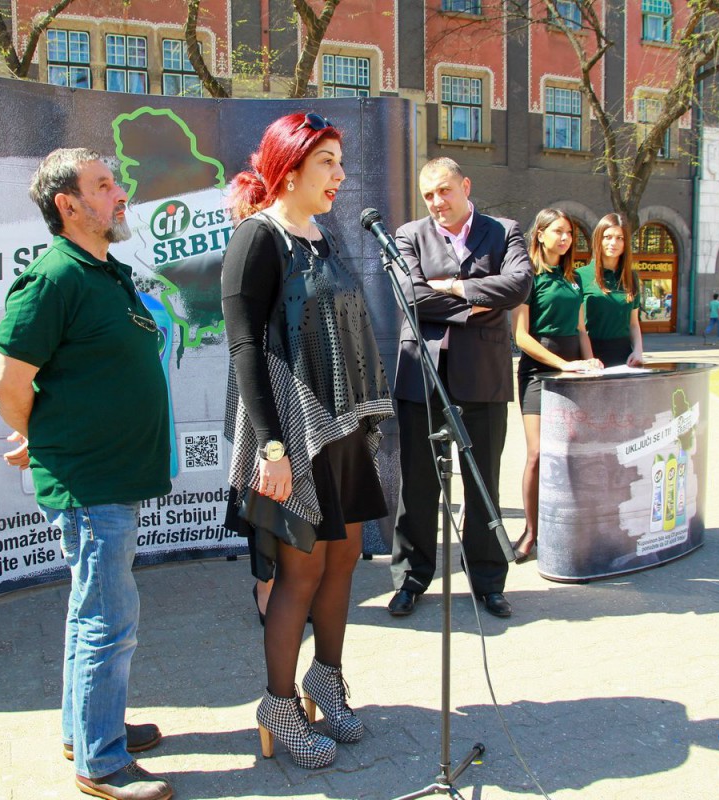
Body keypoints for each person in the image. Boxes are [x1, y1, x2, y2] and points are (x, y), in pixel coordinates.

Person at [0, 149, 173, 800]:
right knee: (108, 619)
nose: (120, 193)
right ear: (68, 205)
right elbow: (6, 381)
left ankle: (86, 730)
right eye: (103, 185)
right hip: (90, 483)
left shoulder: (104, 271)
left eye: (116, 182)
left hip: (111, 477)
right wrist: (39, 436)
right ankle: (101, 764)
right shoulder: (54, 278)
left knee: (90, 610)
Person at [220, 112, 394, 770]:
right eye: (327, 162)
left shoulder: (323, 235)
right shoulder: (257, 238)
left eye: (341, 162)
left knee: (344, 557)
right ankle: (278, 703)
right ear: (288, 170)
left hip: (338, 428)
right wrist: (272, 449)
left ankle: (327, 678)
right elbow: (245, 349)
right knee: (301, 571)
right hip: (290, 435)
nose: (340, 175)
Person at [387, 157, 532, 619]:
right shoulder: (409, 236)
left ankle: (488, 582)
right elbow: (410, 295)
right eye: (428, 194)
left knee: (482, 482)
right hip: (422, 374)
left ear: (465, 186)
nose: (437, 201)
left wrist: (451, 287)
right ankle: (411, 580)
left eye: (445, 190)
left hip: (483, 375)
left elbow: (519, 285)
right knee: (418, 485)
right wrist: (477, 303)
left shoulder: (504, 231)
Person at [510, 209, 603, 563]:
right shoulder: (527, 275)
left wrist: (590, 363)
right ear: (540, 233)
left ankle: (567, 529)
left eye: (569, 233)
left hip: (573, 371)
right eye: (558, 231)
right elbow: (520, 336)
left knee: (571, 454)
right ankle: (531, 532)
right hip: (537, 372)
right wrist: (563, 364)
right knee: (537, 454)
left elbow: (580, 329)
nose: (565, 239)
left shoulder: (573, 278)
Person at [577, 213, 644, 366]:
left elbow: (634, 323)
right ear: (598, 239)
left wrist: (638, 350)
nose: (614, 243)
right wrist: (589, 360)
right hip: (591, 356)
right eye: (607, 237)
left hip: (624, 358)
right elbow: (579, 327)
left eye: (620, 238)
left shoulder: (631, 277)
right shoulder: (580, 276)